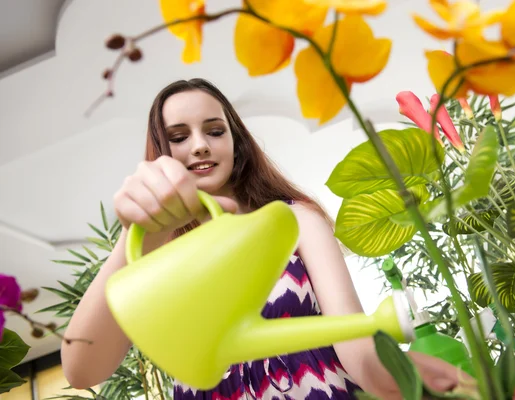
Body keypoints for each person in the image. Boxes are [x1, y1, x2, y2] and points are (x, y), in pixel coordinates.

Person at [62, 78, 472, 399]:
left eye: (214, 130)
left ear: (236, 145)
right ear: (161, 153)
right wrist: (143, 237)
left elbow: (356, 345)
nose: (201, 145)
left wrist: (397, 376)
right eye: (180, 136)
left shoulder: (297, 221)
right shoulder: (158, 252)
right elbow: (82, 370)